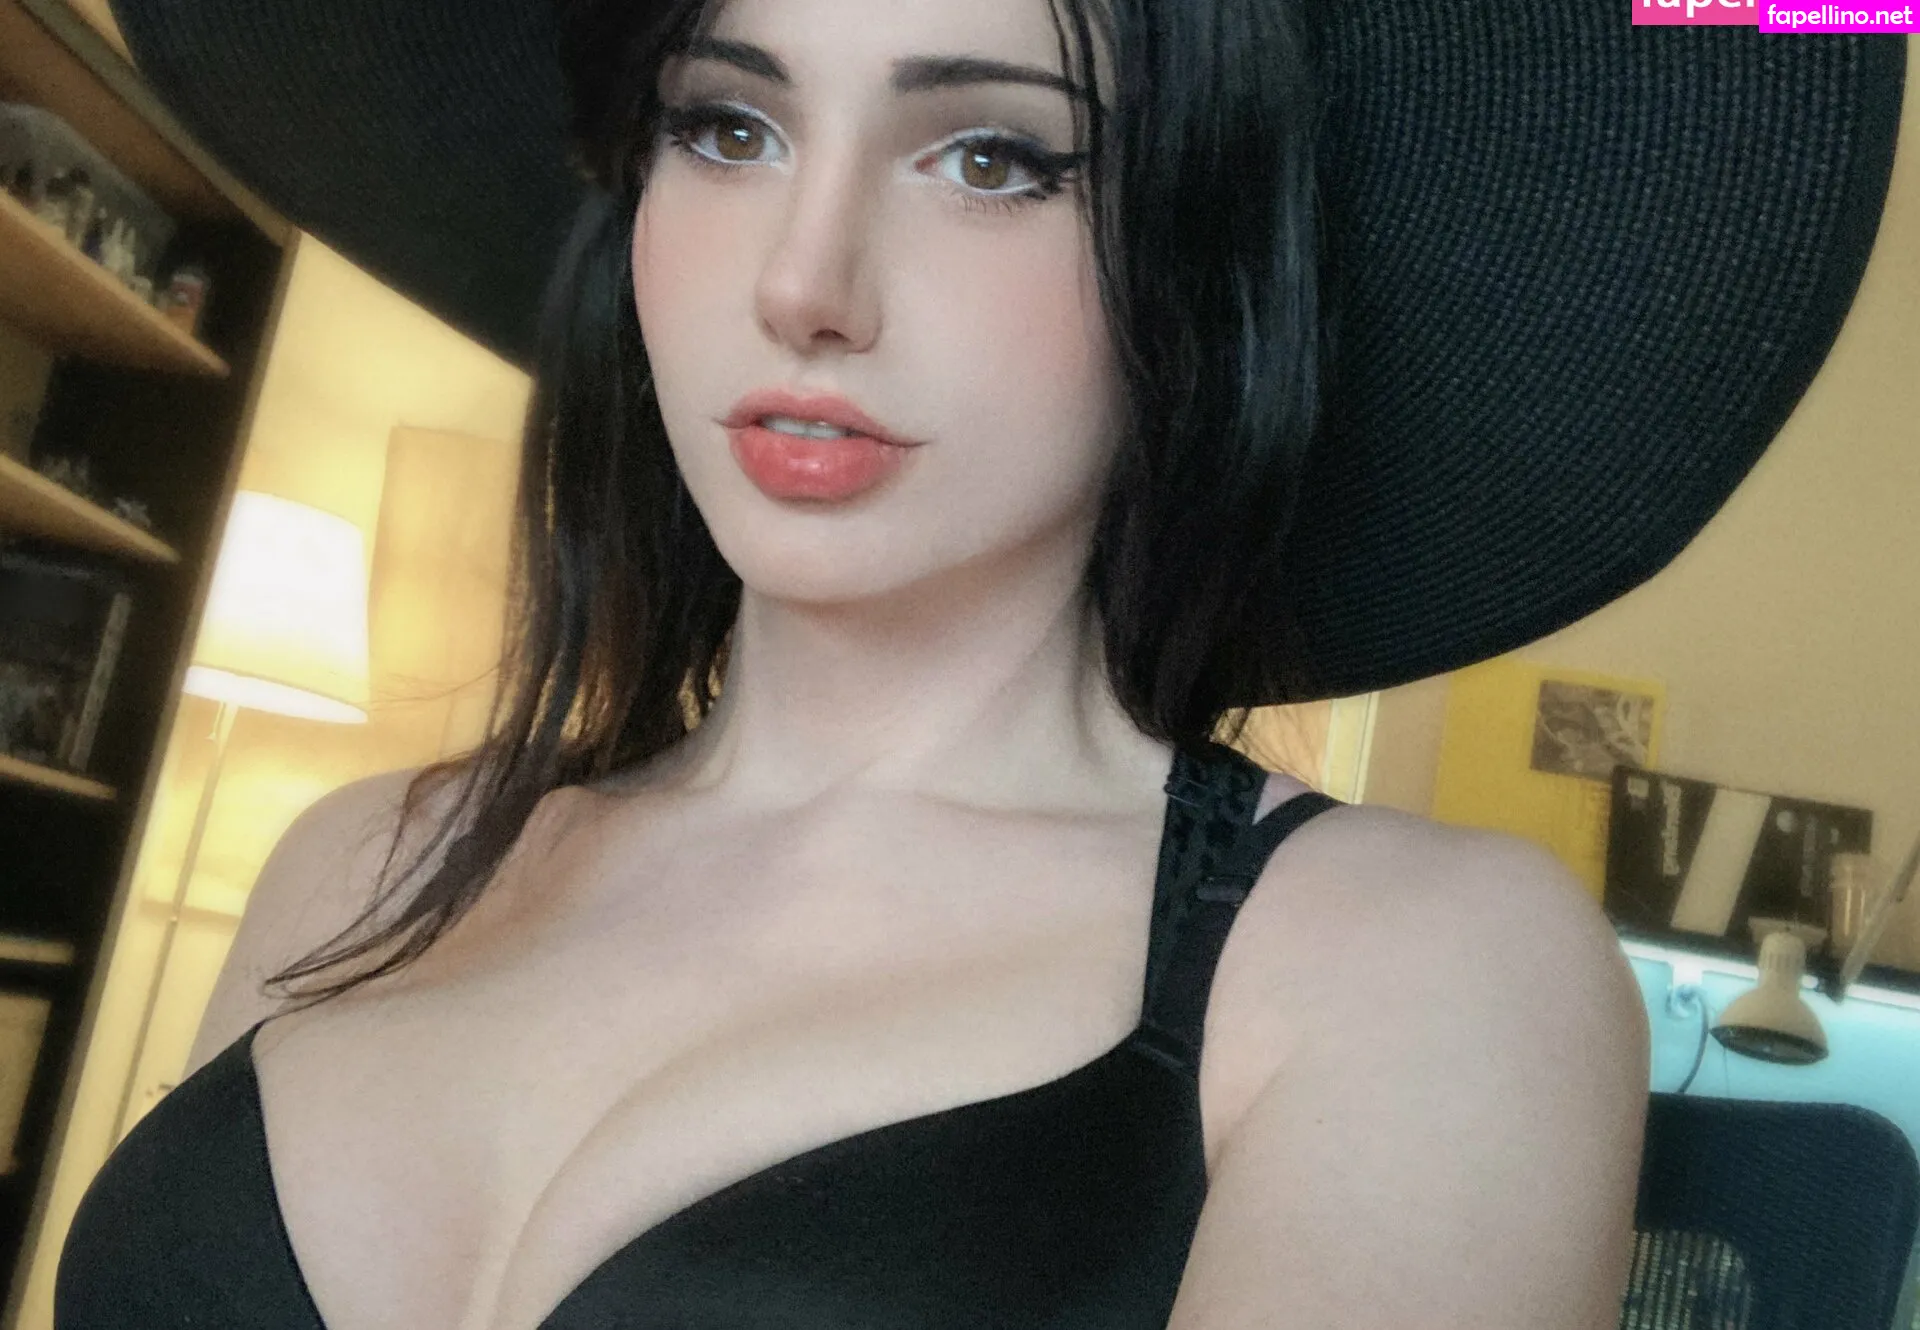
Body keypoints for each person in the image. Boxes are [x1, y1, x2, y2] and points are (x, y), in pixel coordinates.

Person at [53, 0, 1905, 1326]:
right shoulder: (358, 860)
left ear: (1195, 259)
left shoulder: (1415, 966)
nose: (805, 280)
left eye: (994, 155)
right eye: (728, 126)